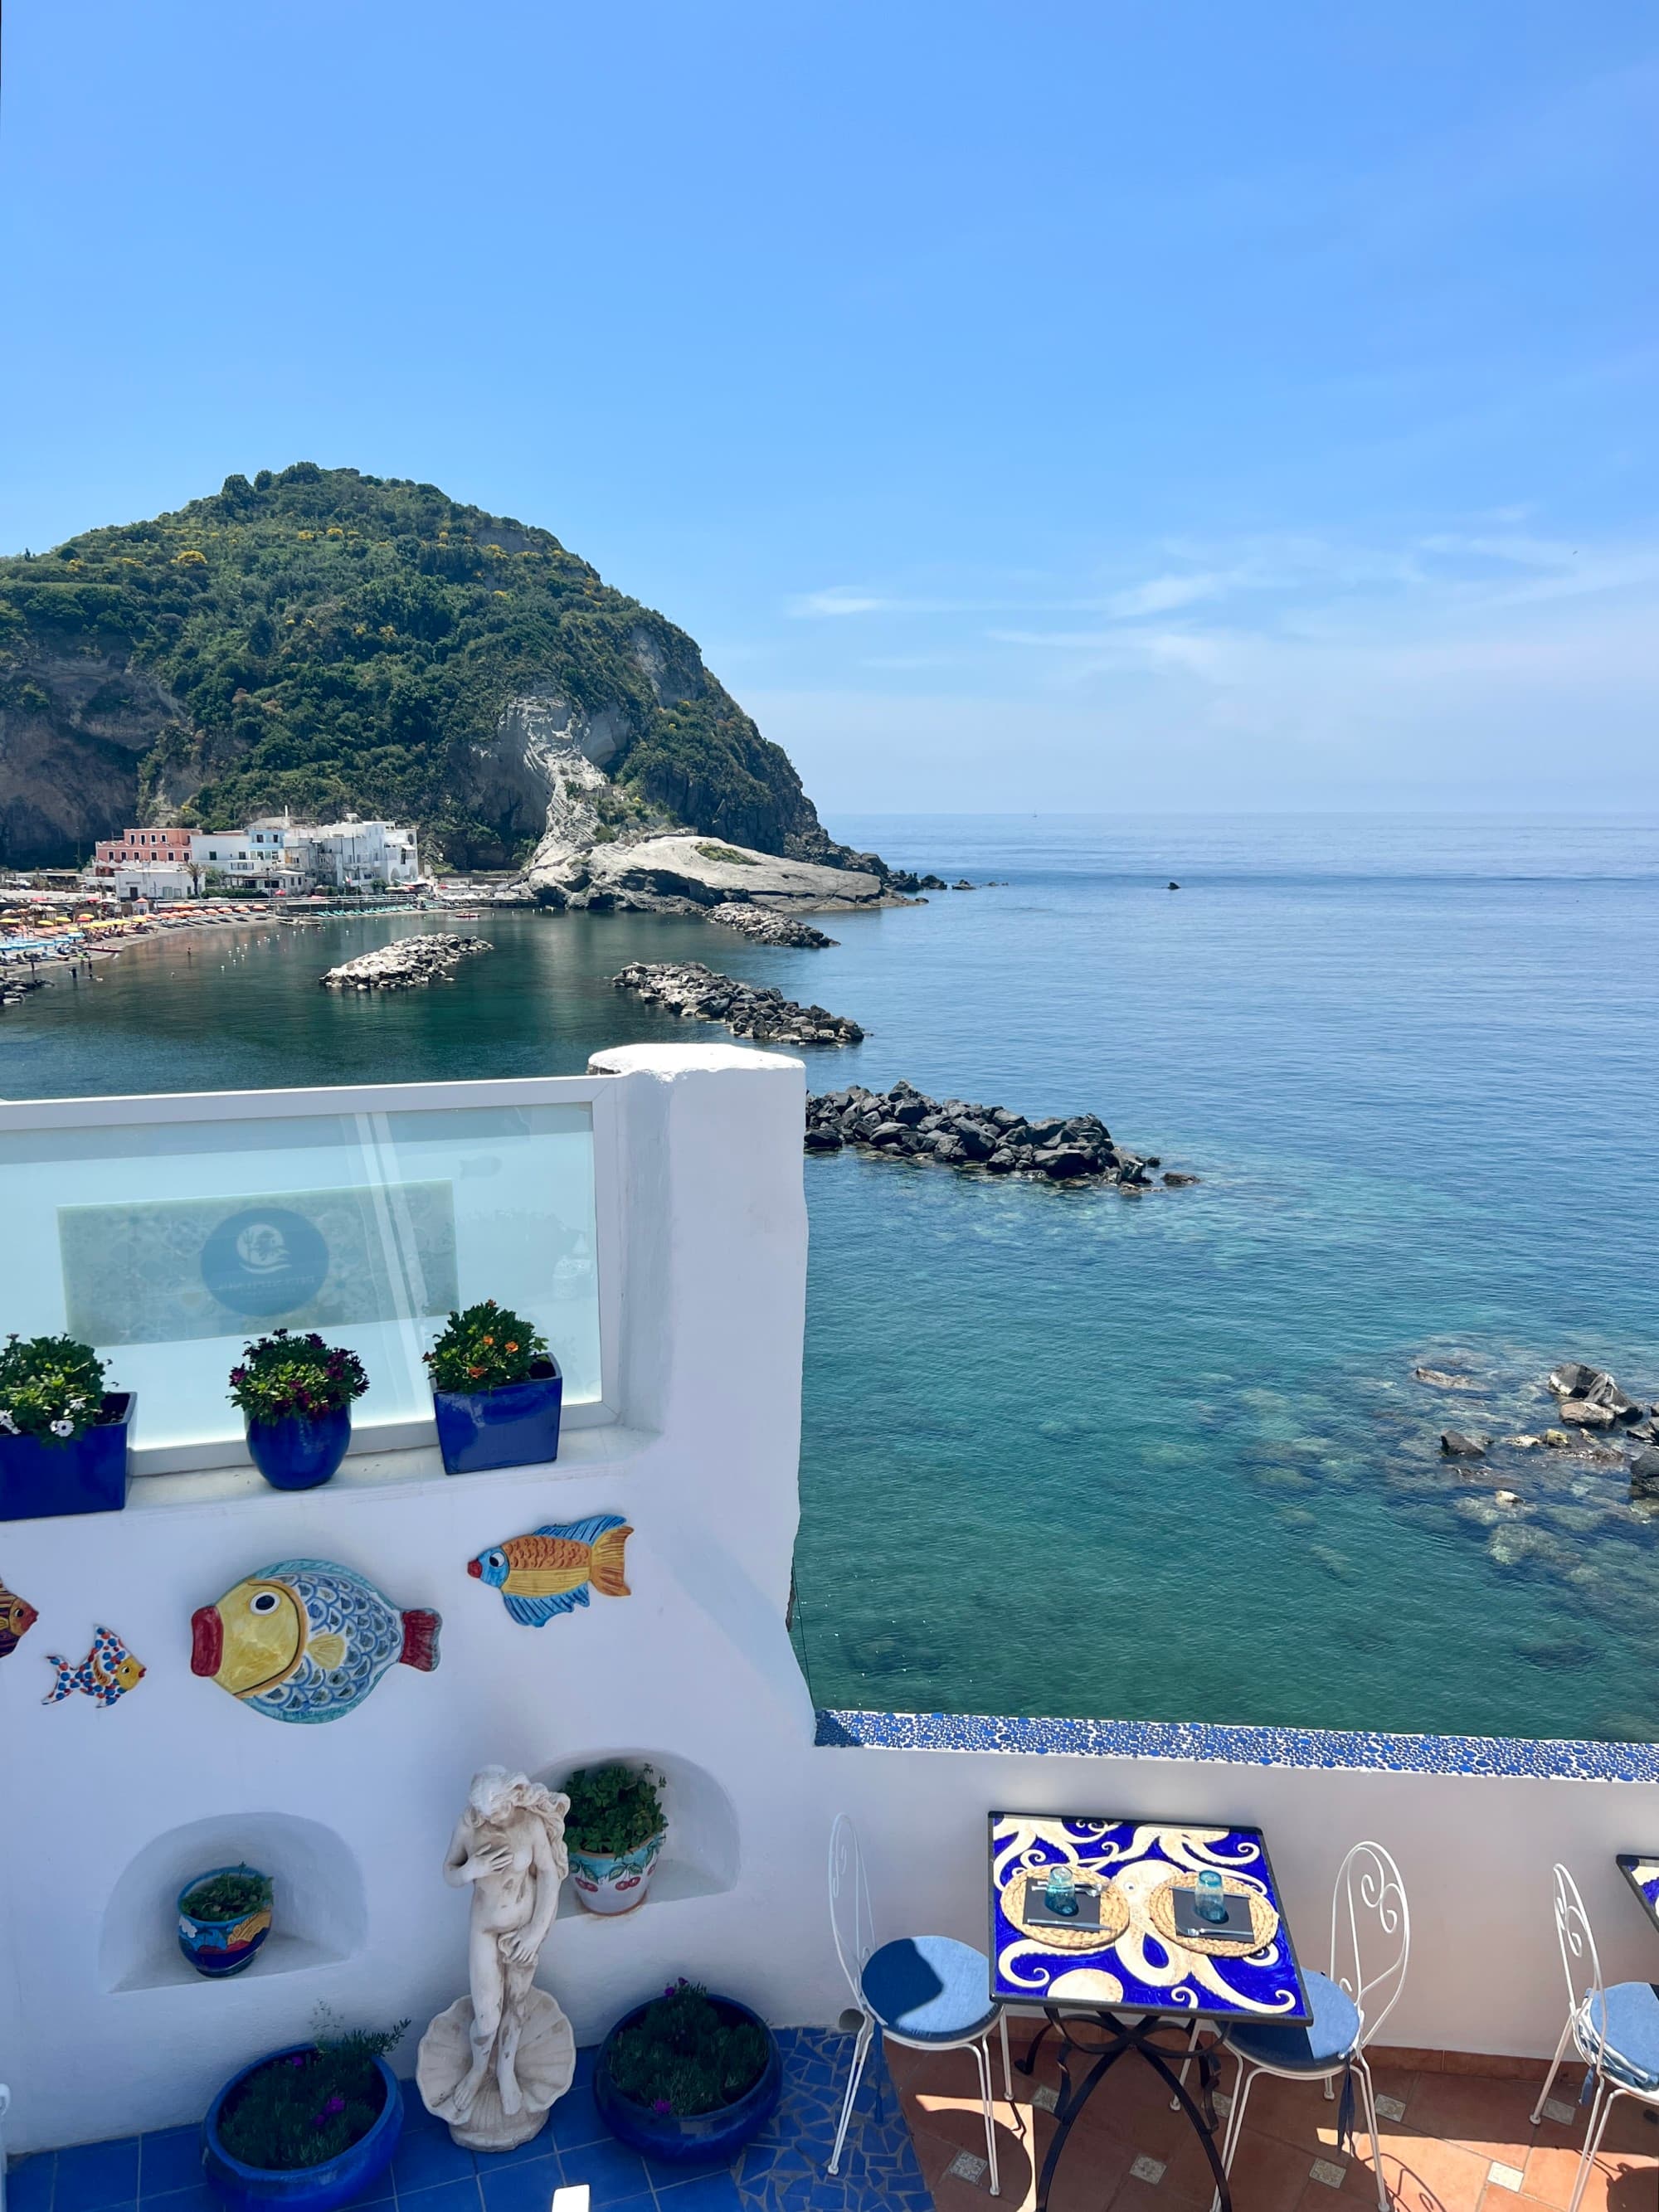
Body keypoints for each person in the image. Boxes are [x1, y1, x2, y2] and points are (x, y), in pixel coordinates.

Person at [439, 1767, 569, 2122]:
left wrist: (534, 1933)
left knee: (517, 2003)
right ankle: (478, 2069)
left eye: (494, 1810)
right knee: (487, 2017)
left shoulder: (529, 1824)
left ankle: (505, 2071)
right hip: (485, 1930)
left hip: (523, 1932)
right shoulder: (471, 1825)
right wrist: (472, 1869)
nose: (488, 1817)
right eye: (482, 1811)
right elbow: (449, 1871)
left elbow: (548, 1875)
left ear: (511, 1798)